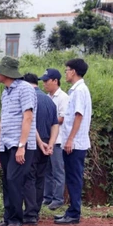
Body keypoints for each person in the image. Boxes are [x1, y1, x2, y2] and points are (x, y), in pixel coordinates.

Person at [0, 56, 36, 226]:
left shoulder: (25, 89)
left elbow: (28, 117)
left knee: (14, 180)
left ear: (6, 73)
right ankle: (8, 219)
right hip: (6, 144)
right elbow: (3, 121)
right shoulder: (6, 91)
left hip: (20, 144)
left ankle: (16, 220)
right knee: (7, 182)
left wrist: (21, 145)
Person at [55, 58, 92, 225]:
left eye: (67, 70)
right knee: (72, 177)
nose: (66, 73)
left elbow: (78, 115)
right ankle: (72, 210)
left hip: (75, 143)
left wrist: (70, 139)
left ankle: (74, 213)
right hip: (75, 141)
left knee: (74, 177)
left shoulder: (78, 91)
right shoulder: (77, 90)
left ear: (74, 71)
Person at [21, 73, 58, 225]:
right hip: (46, 142)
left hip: (32, 142)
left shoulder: (30, 99)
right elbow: (55, 124)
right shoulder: (49, 100)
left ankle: (29, 214)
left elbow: (29, 122)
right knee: (40, 177)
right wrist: (51, 143)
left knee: (29, 177)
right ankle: (35, 212)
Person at [40, 68, 68, 210]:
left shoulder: (62, 97)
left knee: (57, 170)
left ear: (55, 81)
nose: (44, 84)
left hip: (57, 140)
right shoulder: (47, 97)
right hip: (47, 139)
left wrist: (47, 120)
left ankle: (58, 199)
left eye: (46, 81)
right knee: (47, 170)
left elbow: (62, 118)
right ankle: (47, 197)